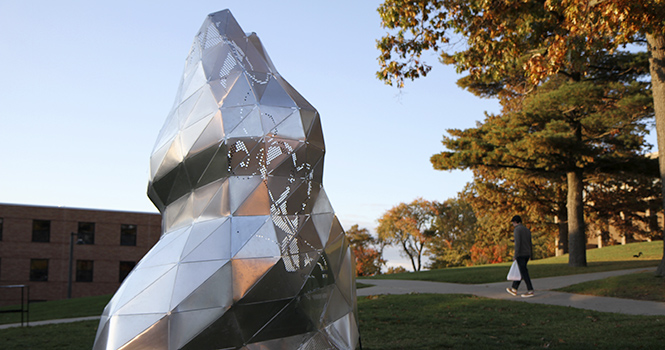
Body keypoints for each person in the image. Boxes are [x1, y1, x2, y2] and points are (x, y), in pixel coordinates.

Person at [506, 215, 534, 297]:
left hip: (521, 253)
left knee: (524, 273)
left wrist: (515, 255)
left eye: (513, 223)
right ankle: (514, 288)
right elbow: (528, 242)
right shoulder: (527, 230)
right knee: (521, 271)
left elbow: (518, 244)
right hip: (527, 253)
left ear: (515, 222)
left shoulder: (517, 230)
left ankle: (530, 290)